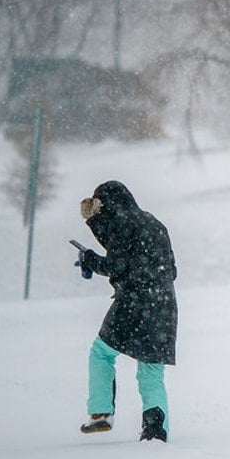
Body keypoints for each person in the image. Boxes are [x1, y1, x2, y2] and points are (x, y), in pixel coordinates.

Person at [75, 180, 178, 442]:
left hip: (134, 303)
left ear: (106, 206)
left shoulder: (121, 223)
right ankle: (155, 431)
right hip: (164, 304)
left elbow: (114, 265)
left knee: (101, 353)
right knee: (151, 371)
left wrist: (88, 258)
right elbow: (172, 270)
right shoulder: (154, 223)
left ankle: (100, 413)